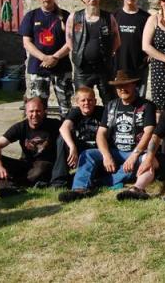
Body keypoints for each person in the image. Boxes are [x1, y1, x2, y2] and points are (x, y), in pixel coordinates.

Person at [58, 71, 156, 202]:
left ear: (134, 85)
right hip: (115, 151)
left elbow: (149, 132)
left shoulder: (146, 106)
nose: (122, 89)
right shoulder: (111, 106)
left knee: (147, 162)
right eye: (119, 86)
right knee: (88, 154)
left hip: (137, 152)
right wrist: (106, 155)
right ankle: (79, 189)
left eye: (126, 85)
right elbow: (101, 133)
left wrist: (134, 155)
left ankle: (103, 183)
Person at [19, 0, 73, 117]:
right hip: (38, 67)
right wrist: (44, 58)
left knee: (66, 106)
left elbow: (71, 42)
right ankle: (42, 130)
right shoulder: (31, 16)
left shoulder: (65, 16)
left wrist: (55, 57)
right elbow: (26, 43)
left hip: (61, 67)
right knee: (38, 107)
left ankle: (66, 130)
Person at [65, 0, 121, 105]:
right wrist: (78, 54)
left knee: (110, 102)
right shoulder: (74, 17)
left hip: (104, 68)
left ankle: (108, 118)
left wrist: (108, 54)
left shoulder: (109, 17)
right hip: (82, 69)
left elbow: (117, 39)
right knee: (83, 102)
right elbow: (69, 39)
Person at [0, 97, 61, 197]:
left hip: (44, 166)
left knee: (42, 168)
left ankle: (14, 183)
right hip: (25, 165)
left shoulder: (55, 125)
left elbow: (68, 133)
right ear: (26, 112)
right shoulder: (20, 127)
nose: (34, 115)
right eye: (31, 111)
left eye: (38, 111)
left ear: (45, 111)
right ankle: (7, 187)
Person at [50, 86, 104, 188]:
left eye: (90, 100)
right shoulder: (75, 112)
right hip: (80, 148)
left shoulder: (102, 112)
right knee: (62, 139)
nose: (86, 103)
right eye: (83, 100)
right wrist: (72, 147)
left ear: (95, 101)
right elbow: (63, 128)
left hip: (98, 150)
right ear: (77, 102)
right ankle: (59, 181)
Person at [114, 0, 151, 97]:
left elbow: (152, 38)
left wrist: (150, 54)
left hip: (139, 65)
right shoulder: (114, 16)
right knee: (121, 97)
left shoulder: (146, 17)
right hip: (119, 65)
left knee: (139, 98)